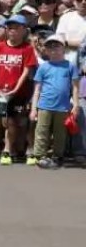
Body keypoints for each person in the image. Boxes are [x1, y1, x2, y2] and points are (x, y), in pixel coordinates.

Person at [0, 15, 38, 165]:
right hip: (0, 93)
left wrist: (15, 89)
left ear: (23, 30)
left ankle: (7, 151)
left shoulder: (27, 49)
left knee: (12, 122)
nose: (12, 31)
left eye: (16, 28)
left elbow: (26, 72)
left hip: (18, 93)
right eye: (10, 28)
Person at [29, 34, 80, 168]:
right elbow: (37, 90)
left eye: (56, 46)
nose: (53, 50)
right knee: (42, 131)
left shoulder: (70, 66)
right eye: (50, 47)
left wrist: (75, 105)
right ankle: (40, 156)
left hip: (62, 107)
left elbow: (75, 88)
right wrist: (34, 109)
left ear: (64, 49)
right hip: (44, 105)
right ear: (45, 50)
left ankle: (58, 156)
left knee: (60, 133)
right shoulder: (44, 67)